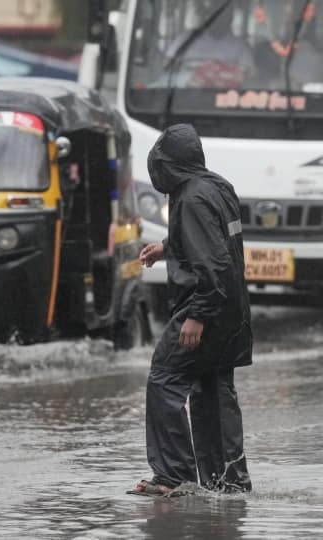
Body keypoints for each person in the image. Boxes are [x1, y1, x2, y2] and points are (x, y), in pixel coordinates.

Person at [129, 123, 253, 496]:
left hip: (207, 308)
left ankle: (173, 477)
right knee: (213, 388)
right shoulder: (216, 186)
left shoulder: (191, 197)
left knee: (165, 379)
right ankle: (226, 481)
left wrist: (196, 316)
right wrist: (168, 246)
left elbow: (213, 264)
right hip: (231, 312)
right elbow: (214, 239)